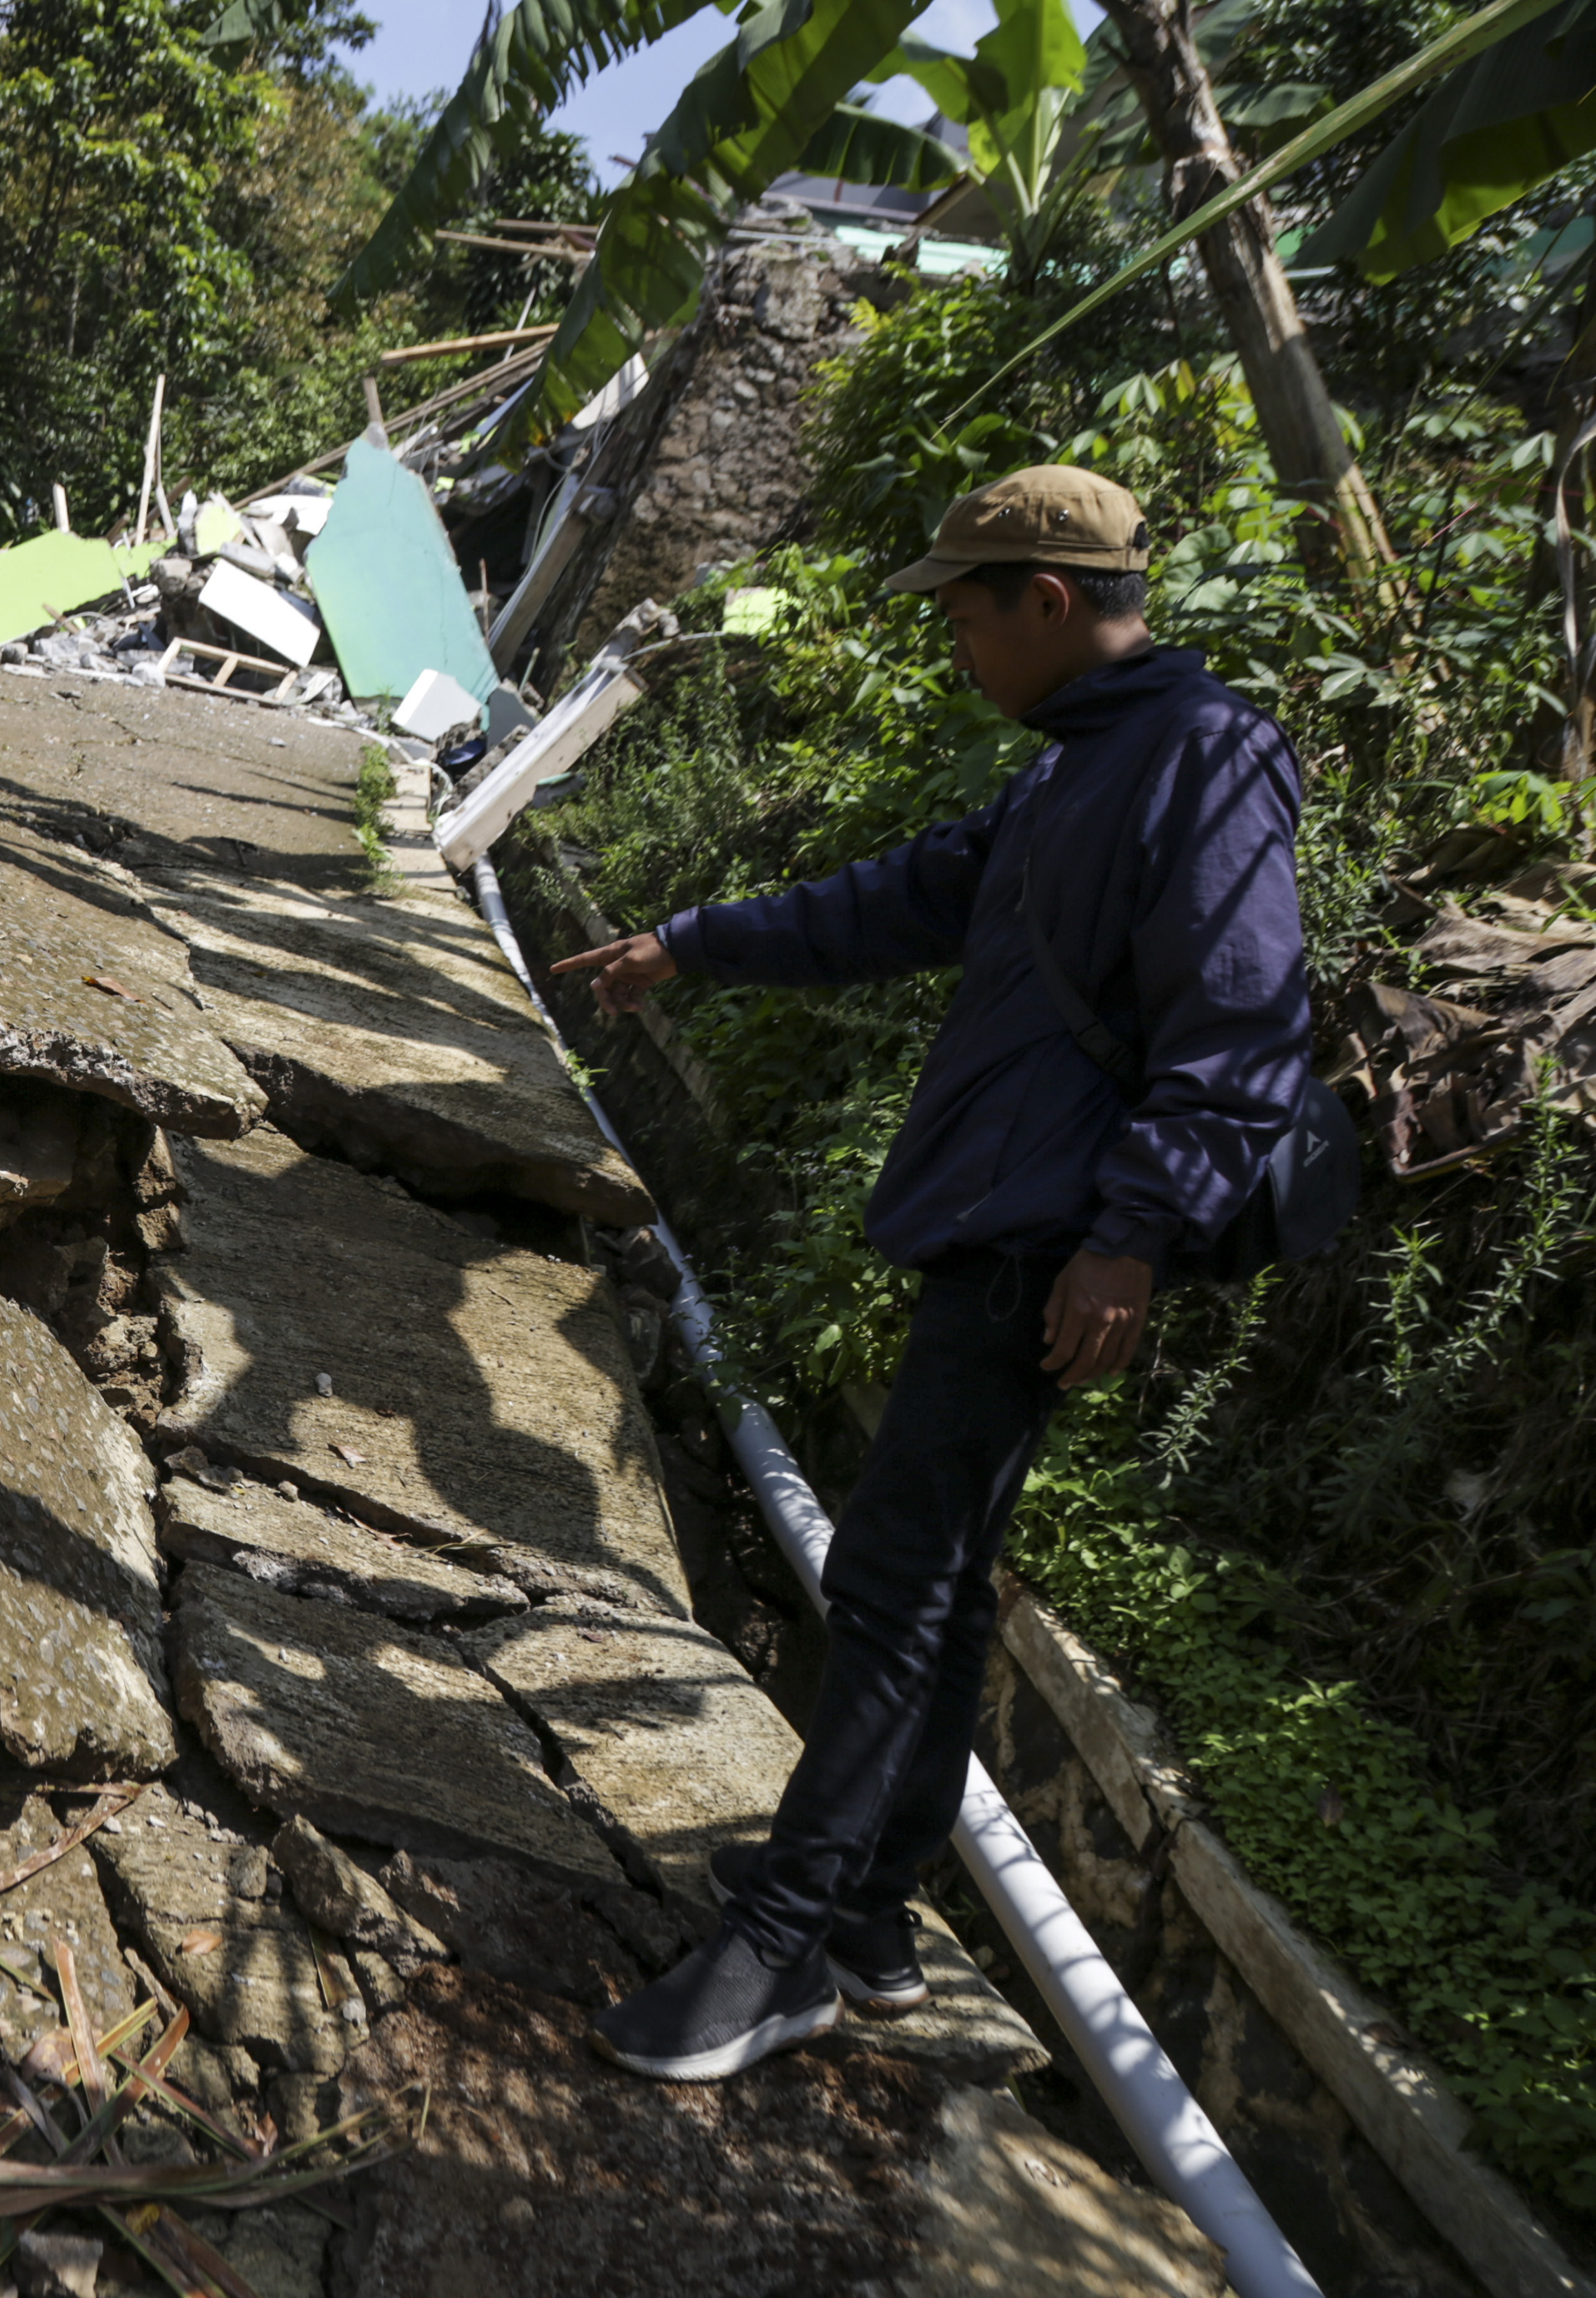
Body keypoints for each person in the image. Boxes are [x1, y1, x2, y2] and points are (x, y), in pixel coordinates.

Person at [552, 465, 1311, 2084]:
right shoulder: (1074, 773)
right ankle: (877, 1914)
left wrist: (1129, 1233)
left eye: (968, 614)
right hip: (1002, 1220)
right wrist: (693, 942)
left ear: (1047, 601)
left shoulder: (1208, 761)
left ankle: (783, 1950)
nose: (954, 646)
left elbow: (1237, 1030)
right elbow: (900, 898)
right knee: (942, 1575)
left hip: (1048, 1237)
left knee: (894, 1580)